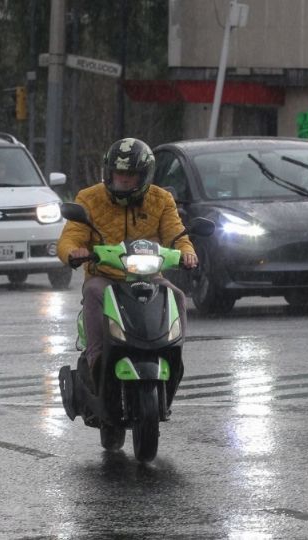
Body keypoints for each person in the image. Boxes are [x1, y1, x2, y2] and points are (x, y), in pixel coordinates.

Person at [56, 137, 198, 396]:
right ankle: (96, 360)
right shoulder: (88, 198)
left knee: (175, 295)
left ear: (144, 176)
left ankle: (173, 355)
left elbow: (177, 236)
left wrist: (187, 253)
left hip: (149, 275)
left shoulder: (162, 199)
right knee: (93, 292)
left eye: (129, 175)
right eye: (117, 173)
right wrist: (73, 252)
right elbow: (70, 236)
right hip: (105, 276)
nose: (121, 179)